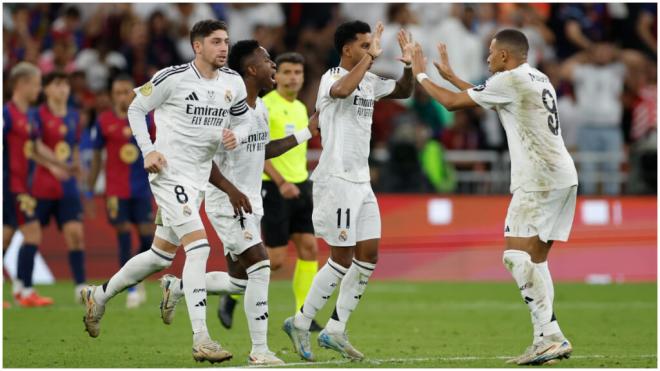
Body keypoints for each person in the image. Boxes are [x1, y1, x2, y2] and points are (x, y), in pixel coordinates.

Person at [80, 19, 252, 364]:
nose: (223, 48)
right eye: (216, 42)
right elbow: (135, 107)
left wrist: (239, 135)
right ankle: (202, 338)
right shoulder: (171, 78)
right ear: (197, 46)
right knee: (199, 247)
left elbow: (244, 118)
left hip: (199, 178)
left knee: (160, 257)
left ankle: (98, 296)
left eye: (226, 42)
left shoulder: (233, 82)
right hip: (169, 174)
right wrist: (149, 151)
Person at [410, 29, 576, 365]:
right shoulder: (536, 77)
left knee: (515, 257)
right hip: (562, 176)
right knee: (536, 260)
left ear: (504, 56)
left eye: (490, 52)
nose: (487, 58)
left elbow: (453, 103)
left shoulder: (510, 79)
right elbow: (485, 96)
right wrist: (452, 75)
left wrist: (420, 73)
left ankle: (552, 334)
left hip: (537, 179)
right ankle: (546, 338)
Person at [158, 40, 319, 366]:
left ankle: (177, 287)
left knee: (239, 280)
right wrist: (231, 190)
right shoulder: (223, 109)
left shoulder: (258, 108)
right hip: (228, 202)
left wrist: (306, 133)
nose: (272, 66)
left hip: (249, 202)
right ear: (251, 69)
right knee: (261, 266)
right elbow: (206, 158)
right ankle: (260, 350)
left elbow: (263, 150)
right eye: (268, 61)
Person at [282, 20, 414, 361]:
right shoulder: (330, 77)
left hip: (361, 183)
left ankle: (336, 329)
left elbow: (403, 91)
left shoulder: (368, 80)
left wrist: (410, 66)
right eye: (365, 44)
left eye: (372, 44)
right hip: (336, 180)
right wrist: (370, 59)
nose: (371, 48)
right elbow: (341, 91)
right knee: (340, 258)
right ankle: (300, 321)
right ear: (347, 50)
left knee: (368, 256)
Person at [217, 51, 323, 333]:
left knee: (310, 248)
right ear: (278, 76)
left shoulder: (301, 108)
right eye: (287, 72)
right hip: (274, 188)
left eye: (297, 73)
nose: (292, 77)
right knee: (274, 261)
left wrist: (300, 182)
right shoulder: (265, 105)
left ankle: (304, 313)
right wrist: (280, 182)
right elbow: (258, 151)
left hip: (301, 185)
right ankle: (231, 293)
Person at [3, 62, 70, 308]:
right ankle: (24, 290)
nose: (39, 89)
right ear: (22, 84)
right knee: (33, 232)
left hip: (22, 184)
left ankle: (22, 290)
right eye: (37, 84)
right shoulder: (6, 114)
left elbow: (36, 147)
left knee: (6, 237)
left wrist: (59, 164)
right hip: (11, 185)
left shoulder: (27, 117)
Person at [87, 74, 156, 308]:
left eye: (126, 91)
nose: (122, 97)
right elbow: (97, 156)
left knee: (148, 237)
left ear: (134, 93)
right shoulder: (104, 121)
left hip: (142, 188)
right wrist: (89, 188)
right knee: (124, 235)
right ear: (111, 95)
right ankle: (133, 289)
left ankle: (136, 275)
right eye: (117, 92)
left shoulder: (146, 119)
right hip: (115, 191)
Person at [31, 71, 87, 302]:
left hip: (67, 185)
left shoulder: (74, 116)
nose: (63, 88)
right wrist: (52, 166)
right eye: (57, 84)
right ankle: (23, 286)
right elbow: (32, 148)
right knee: (29, 236)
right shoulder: (37, 115)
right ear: (46, 90)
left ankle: (80, 286)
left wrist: (75, 165)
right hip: (41, 183)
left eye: (65, 84)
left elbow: (72, 146)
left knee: (75, 234)